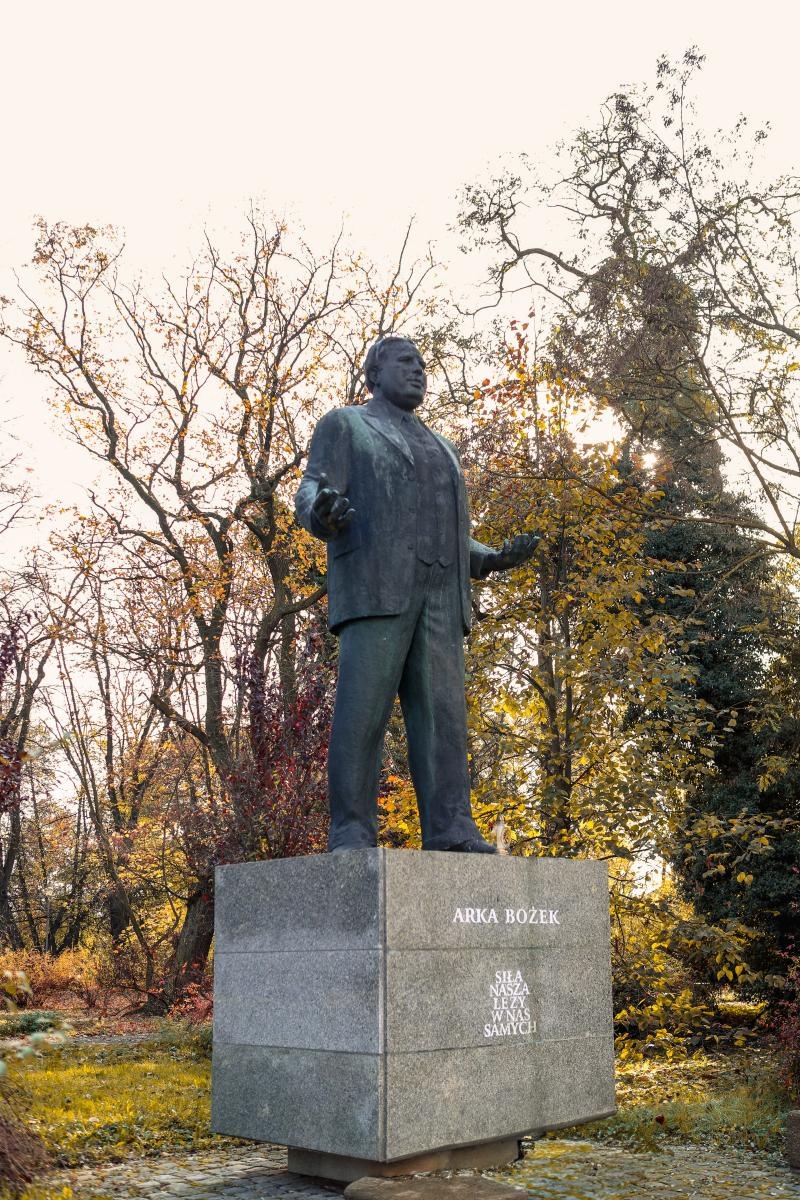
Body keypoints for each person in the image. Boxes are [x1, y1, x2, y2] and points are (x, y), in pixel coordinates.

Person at [295, 336, 537, 853]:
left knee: (444, 719)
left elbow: (446, 528)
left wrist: (491, 557)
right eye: (406, 362)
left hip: (442, 596)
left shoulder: (443, 448)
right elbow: (312, 488)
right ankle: (352, 829)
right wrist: (321, 513)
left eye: (423, 365)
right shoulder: (346, 425)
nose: (419, 371)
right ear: (374, 374)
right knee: (363, 714)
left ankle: (451, 828)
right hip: (377, 588)